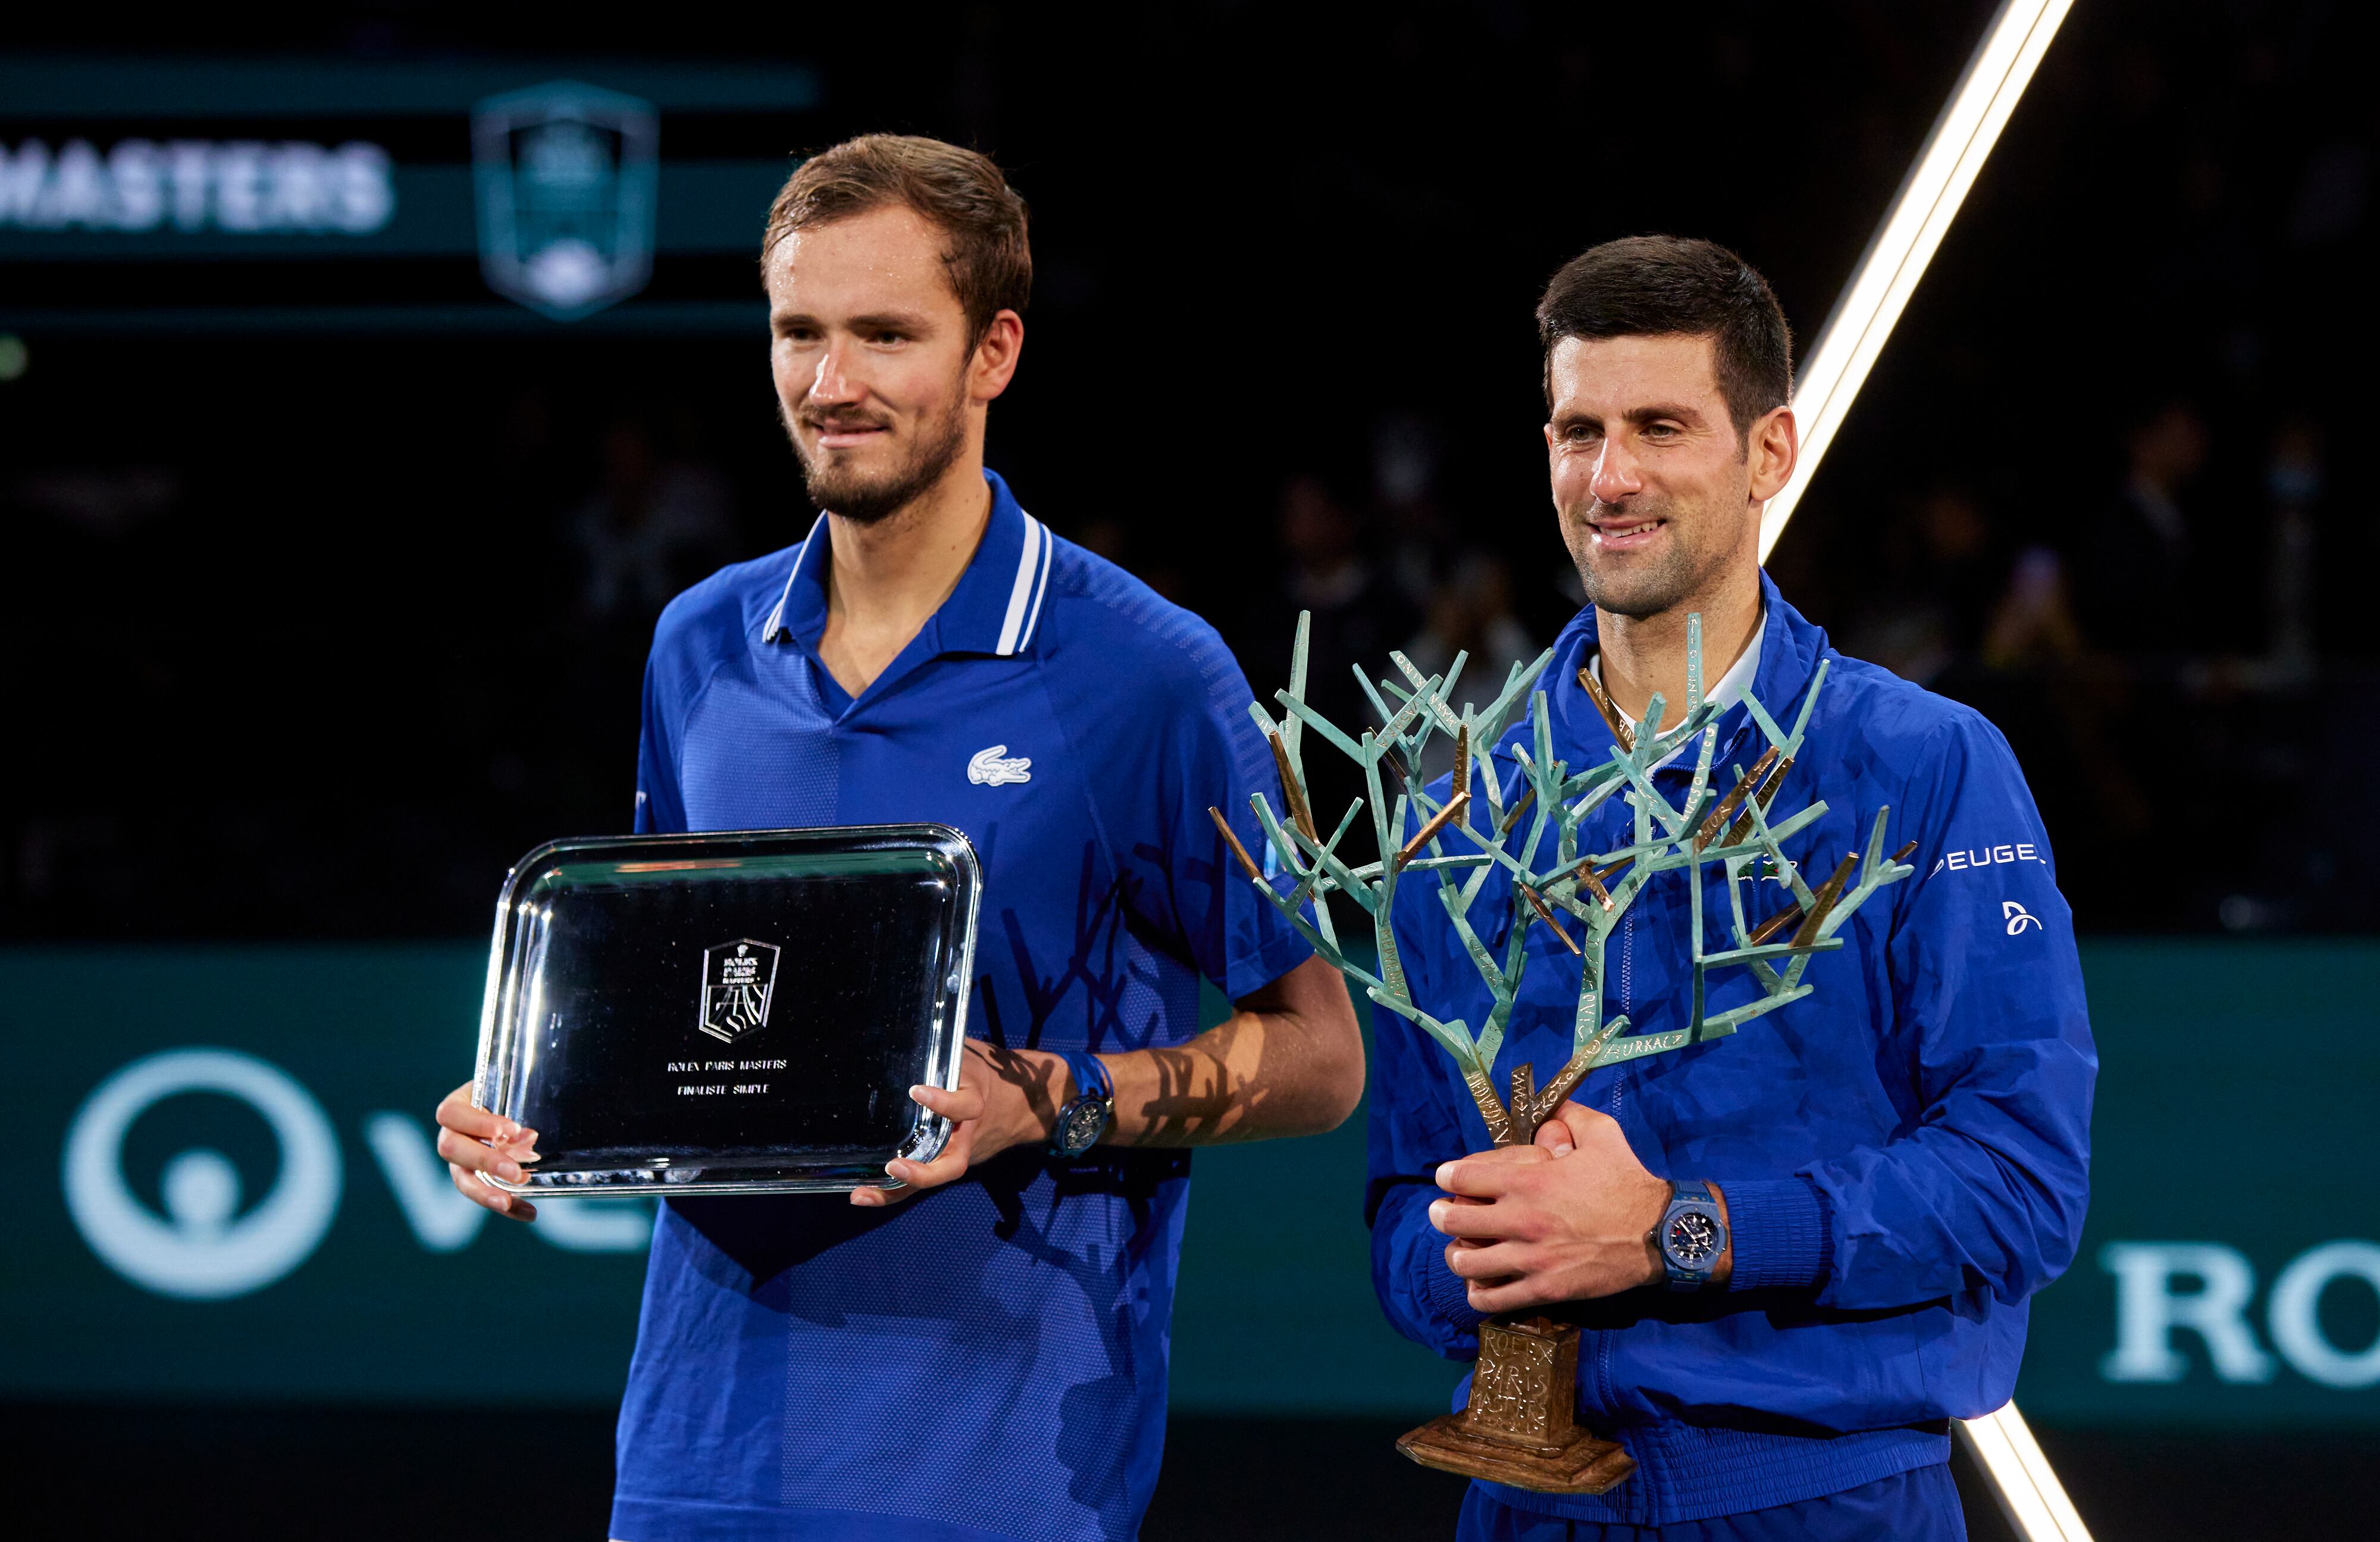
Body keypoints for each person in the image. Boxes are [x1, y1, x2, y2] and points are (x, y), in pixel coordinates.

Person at [434, 135, 1364, 1542]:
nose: (830, 383)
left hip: (998, 1470)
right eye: (799, 333)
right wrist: (536, 1102)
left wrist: (1049, 1099)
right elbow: (677, 1003)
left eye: (884, 335)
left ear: (993, 351)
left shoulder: (1147, 675)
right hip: (701, 1453)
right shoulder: (701, 644)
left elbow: (1322, 1054)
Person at [1364, 236, 2094, 1541]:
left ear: (1767, 454)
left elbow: (2018, 1184)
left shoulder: (1923, 769)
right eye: (1576, 430)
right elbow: (1395, 1212)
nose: (1610, 477)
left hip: (1827, 1502)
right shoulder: (1456, 810)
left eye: (1659, 427)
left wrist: (1674, 1233)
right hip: (1523, 1504)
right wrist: (1483, 1252)